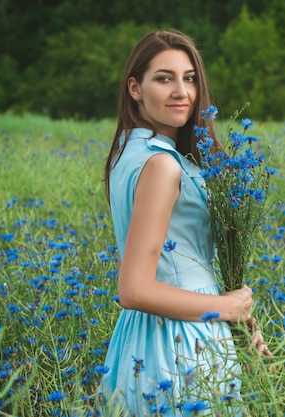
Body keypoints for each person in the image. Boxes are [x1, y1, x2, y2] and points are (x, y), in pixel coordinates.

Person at [99, 29, 270, 416]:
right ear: (135, 88)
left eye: (189, 78)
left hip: (141, 337)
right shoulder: (162, 165)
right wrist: (225, 308)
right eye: (164, 78)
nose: (182, 91)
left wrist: (237, 315)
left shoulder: (129, 152)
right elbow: (134, 288)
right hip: (179, 342)